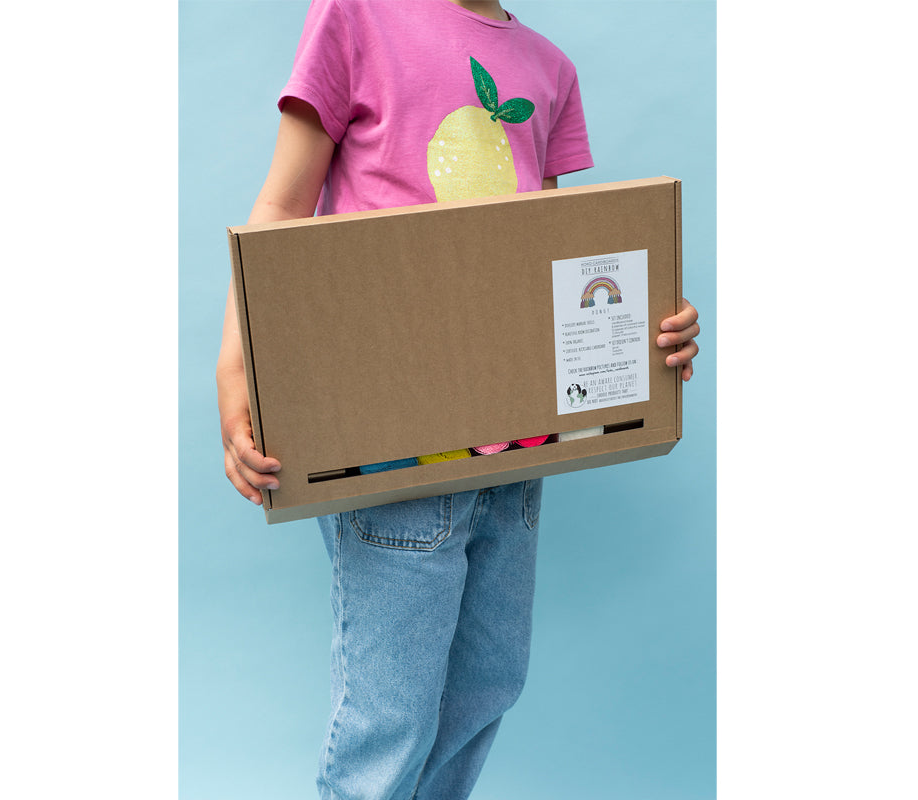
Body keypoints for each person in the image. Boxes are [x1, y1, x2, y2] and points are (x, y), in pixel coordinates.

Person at [216, 2, 701, 797]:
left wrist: (646, 329)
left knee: (488, 682)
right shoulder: (358, 17)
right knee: (392, 712)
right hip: (388, 436)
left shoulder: (549, 68)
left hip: (515, 442)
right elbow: (279, 211)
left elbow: (548, 256)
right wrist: (234, 372)